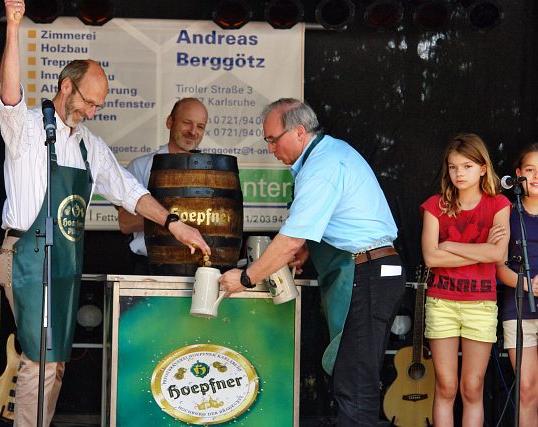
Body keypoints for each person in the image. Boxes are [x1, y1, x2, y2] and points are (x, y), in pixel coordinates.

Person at [0, 2, 210, 426]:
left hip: (64, 258)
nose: (92, 112)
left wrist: (174, 224)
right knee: (40, 358)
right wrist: (13, 28)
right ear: (66, 86)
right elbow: (10, 93)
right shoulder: (26, 128)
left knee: (56, 361)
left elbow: (130, 192)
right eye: (88, 103)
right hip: (25, 255)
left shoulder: (90, 145)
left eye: (97, 106)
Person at [218, 98, 406, 426]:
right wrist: (308, 248)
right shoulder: (330, 154)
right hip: (375, 270)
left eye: (273, 140)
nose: (270, 149)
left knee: (355, 383)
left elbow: (290, 240)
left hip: (369, 272)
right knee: (353, 376)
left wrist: (246, 278)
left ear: (300, 132)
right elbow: (330, 225)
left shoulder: (321, 167)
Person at [420, 133, 510, 427]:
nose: (459, 173)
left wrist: (449, 246)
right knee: (445, 386)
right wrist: (481, 251)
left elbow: (498, 254)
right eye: (453, 166)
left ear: (483, 168)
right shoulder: (435, 205)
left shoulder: (498, 204)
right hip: (441, 302)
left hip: (480, 304)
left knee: (472, 387)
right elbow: (431, 259)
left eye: (467, 166)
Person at [118, 97, 208, 274]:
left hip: (198, 267)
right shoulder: (141, 166)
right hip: (149, 268)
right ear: (169, 122)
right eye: (187, 123)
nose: (193, 132)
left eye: (200, 127)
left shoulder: (211, 171)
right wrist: (175, 216)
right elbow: (125, 223)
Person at [496, 143, 538, 427]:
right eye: (530, 170)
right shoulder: (507, 213)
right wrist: (528, 285)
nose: (536, 176)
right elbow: (498, 266)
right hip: (519, 309)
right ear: (518, 174)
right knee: (527, 391)